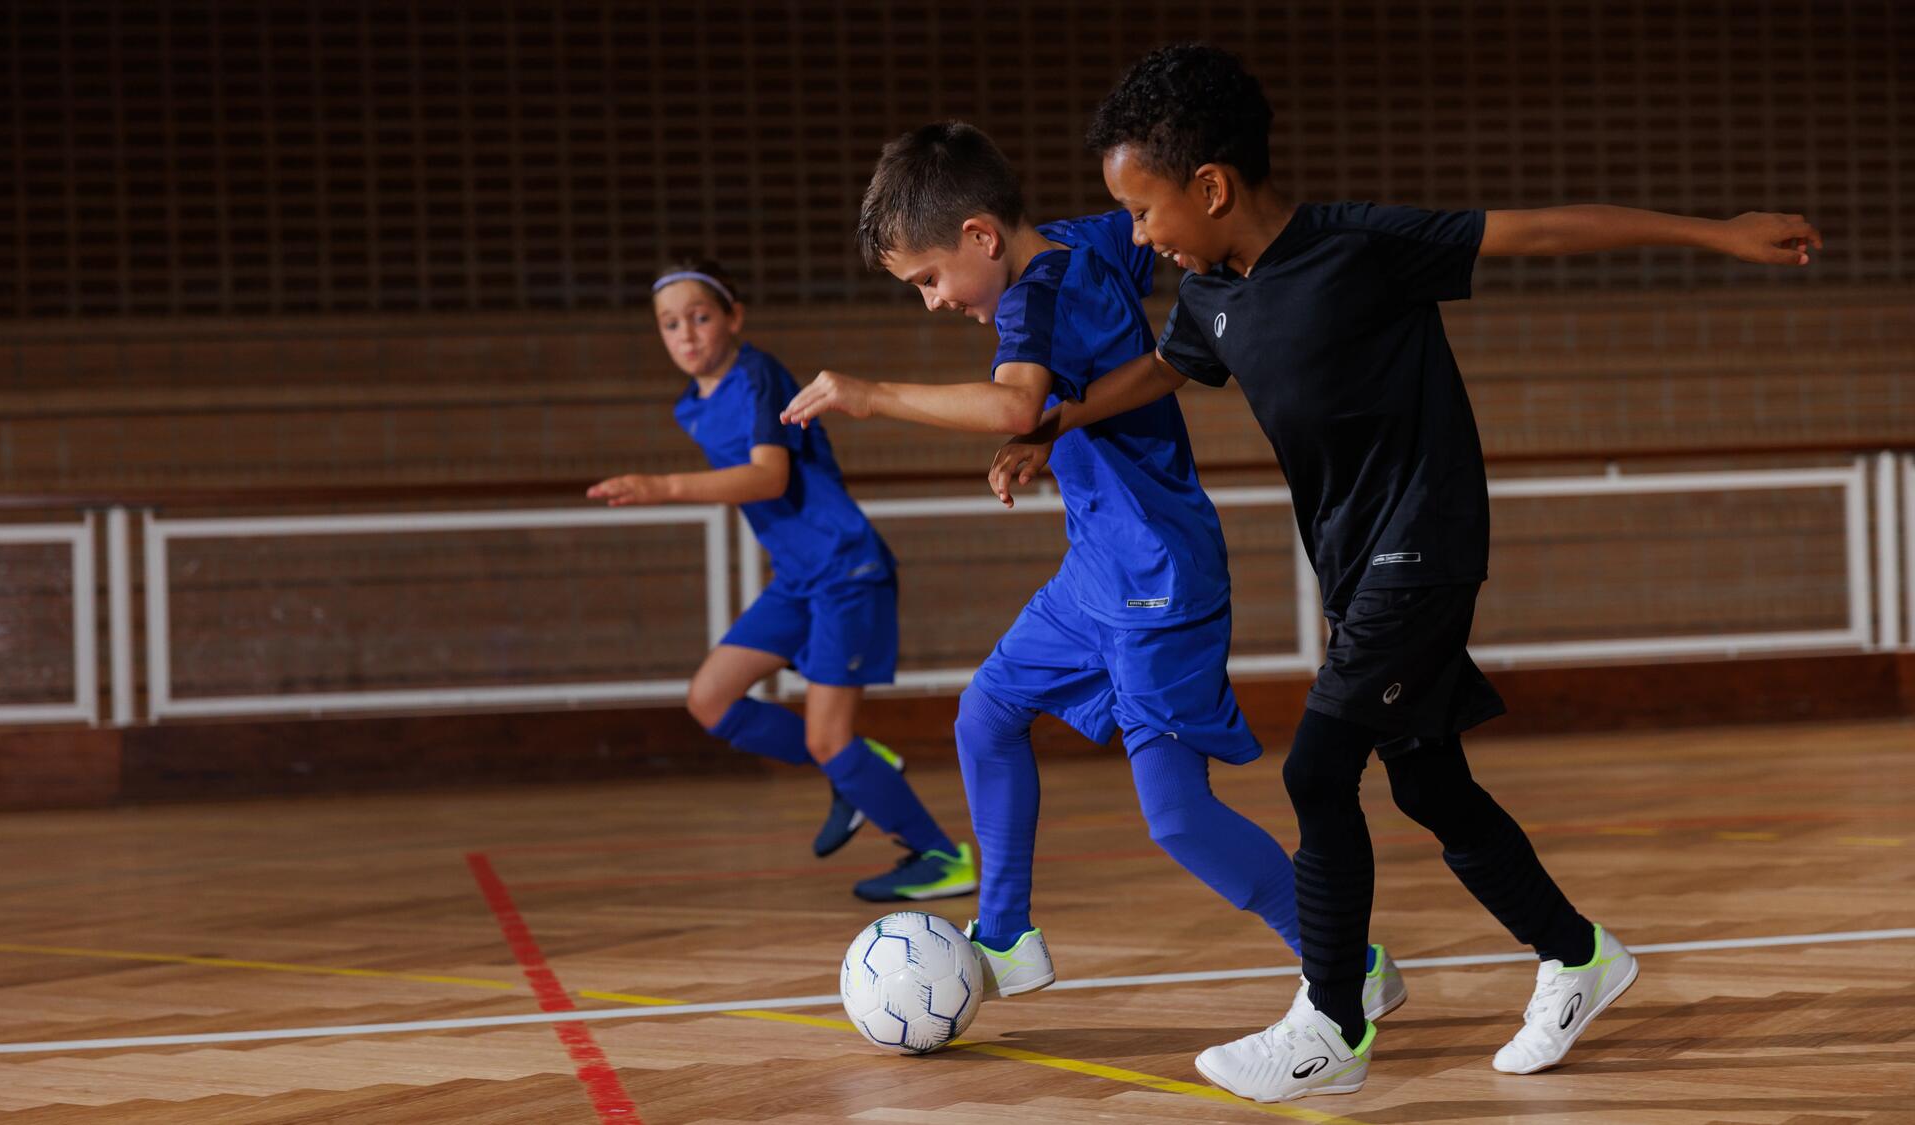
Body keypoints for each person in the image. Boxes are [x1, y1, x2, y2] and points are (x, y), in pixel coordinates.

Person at [987, 43, 1821, 1102]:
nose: (1140, 235)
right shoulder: (1211, 297)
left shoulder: (1359, 245)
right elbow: (1162, 371)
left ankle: (1331, 1023)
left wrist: (1721, 234)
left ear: (1212, 186)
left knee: (1316, 772)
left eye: (1145, 211)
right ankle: (1578, 957)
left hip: (1426, 547)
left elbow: (1547, 228)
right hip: (1356, 566)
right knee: (1428, 781)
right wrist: (1054, 423)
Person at [781, 123, 1406, 1022]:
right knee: (986, 713)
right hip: (1096, 572)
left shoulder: (1031, 295)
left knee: (1179, 819)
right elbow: (1125, 286)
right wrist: (1054, 436)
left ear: (982, 238)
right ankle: (1007, 936)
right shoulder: (1089, 237)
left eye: (928, 280)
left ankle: (1347, 962)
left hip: (1157, 576)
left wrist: (871, 395)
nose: (931, 302)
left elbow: (1014, 396)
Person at [589, 258, 976, 903]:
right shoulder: (693, 406)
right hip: (799, 579)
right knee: (710, 701)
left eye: (700, 317)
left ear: (734, 317)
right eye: (669, 325)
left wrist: (662, 486)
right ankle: (859, 767)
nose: (686, 334)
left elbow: (768, 477)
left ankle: (941, 856)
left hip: (846, 569)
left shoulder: (759, 375)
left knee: (829, 737)